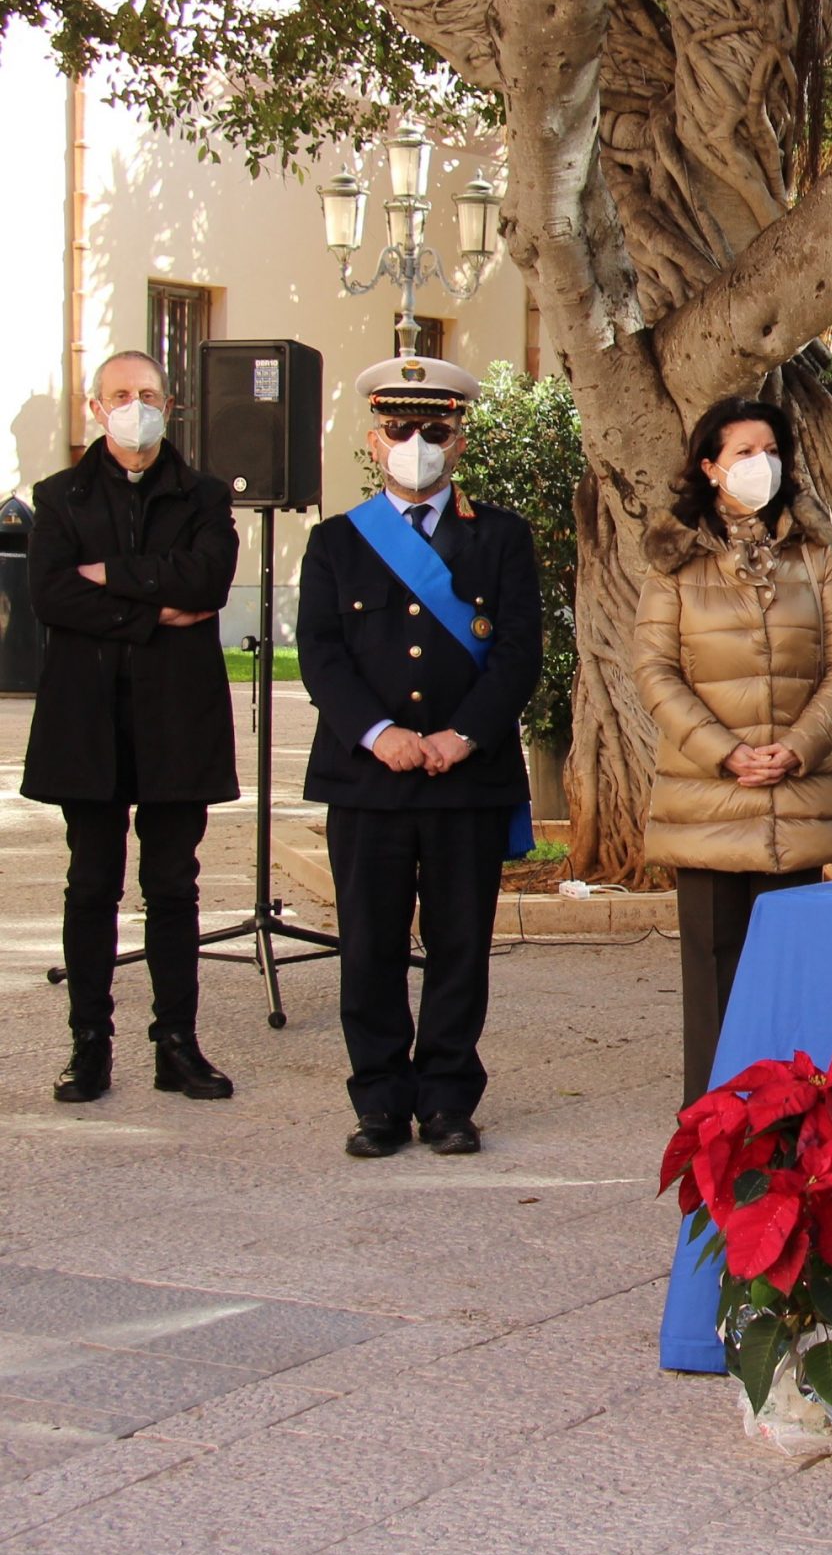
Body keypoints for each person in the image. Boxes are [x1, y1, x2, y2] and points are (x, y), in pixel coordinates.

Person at [296, 355, 541, 1159]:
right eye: (401, 429)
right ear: (375, 439)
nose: (418, 444)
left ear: (459, 442)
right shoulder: (335, 541)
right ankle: (377, 1101)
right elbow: (322, 655)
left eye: (435, 430)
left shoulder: (500, 536)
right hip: (368, 778)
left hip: (464, 777)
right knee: (367, 945)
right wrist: (381, 734)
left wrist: (459, 735)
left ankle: (446, 1099)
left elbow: (516, 653)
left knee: (460, 945)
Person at [634, 397, 832, 1105]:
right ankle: (711, 1124)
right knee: (711, 972)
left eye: (770, 450)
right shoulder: (674, 559)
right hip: (708, 799)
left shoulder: (816, 551)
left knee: (789, 972)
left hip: (795, 801)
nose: (759, 465)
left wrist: (796, 749)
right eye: (742, 452)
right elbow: (653, 670)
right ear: (709, 467)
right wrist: (725, 752)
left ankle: (791, 1118)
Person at [24, 349, 241, 1103]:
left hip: (177, 717)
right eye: (119, 394)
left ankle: (176, 1045)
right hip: (87, 721)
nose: (134, 404)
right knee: (91, 885)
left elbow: (208, 579)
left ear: (169, 404)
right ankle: (90, 1045)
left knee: (173, 886)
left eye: (147, 393)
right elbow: (50, 595)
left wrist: (108, 575)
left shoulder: (207, 495)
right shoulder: (58, 497)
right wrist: (156, 613)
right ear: (95, 407)